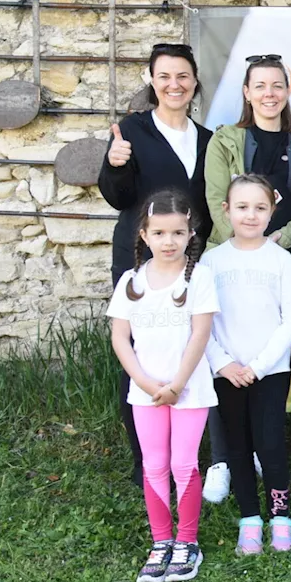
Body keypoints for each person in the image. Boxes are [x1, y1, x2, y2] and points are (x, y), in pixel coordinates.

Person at [99, 43, 214, 488]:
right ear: (152, 81)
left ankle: (193, 455)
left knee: (189, 348)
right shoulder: (132, 130)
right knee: (140, 353)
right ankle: (143, 461)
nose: (174, 84)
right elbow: (117, 196)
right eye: (164, 76)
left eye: (182, 76)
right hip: (139, 259)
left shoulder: (207, 139)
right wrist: (114, 165)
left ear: (194, 81)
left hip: (190, 262)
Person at [107, 188, 217, 582]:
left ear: (191, 234)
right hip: (145, 392)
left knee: (182, 464)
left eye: (177, 233)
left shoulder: (199, 278)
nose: (168, 242)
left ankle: (187, 542)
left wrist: (177, 384)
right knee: (154, 465)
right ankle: (161, 540)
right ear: (144, 234)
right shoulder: (131, 282)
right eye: (159, 233)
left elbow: (200, 334)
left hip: (189, 390)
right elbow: (121, 337)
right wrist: (144, 381)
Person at [202, 175, 291, 555]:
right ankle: (250, 520)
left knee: (271, 444)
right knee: (237, 446)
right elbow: (202, 322)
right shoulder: (212, 262)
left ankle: (281, 519)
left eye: (260, 208)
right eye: (242, 207)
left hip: (269, 372)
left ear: (272, 212)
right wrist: (224, 363)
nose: (251, 215)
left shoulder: (281, 260)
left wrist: (258, 366)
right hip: (227, 372)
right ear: (226, 210)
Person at [204, 54, 291, 267]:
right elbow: (216, 200)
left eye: (277, 86)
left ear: (288, 91)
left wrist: (280, 239)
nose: (269, 94)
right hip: (232, 258)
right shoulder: (223, 141)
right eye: (260, 86)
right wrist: (246, 244)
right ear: (247, 93)